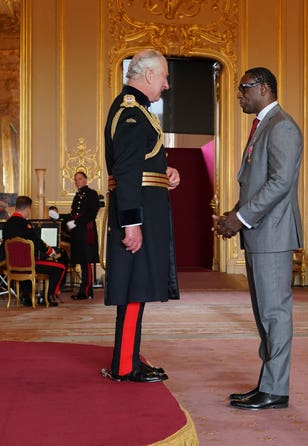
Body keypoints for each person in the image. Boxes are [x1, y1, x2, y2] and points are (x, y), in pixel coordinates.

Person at [214, 67, 302, 410]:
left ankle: (276, 390)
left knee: (275, 313)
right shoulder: (264, 125)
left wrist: (241, 218)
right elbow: (255, 182)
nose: (239, 95)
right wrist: (232, 215)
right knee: (264, 313)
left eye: (243, 89)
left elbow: (280, 184)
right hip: (260, 232)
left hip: (273, 234)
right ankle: (269, 382)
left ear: (263, 88)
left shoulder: (282, 127)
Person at [101, 48, 180, 383]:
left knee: (140, 288)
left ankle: (129, 357)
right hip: (139, 216)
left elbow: (140, 164)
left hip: (144, 210)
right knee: (135, 289)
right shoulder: (132, 111)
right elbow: (128, 169)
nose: (165, 85)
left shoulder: (137, 111)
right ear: (149, 76)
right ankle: (124, 367)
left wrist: (166, 172)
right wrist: (132, 224)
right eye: (163, 77)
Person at [0, 196, 65, 307]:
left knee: (26, 265)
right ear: (28, 208)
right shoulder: (26, 225)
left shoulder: (7, 225)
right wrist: (51, 252)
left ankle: (26, 296)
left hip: (12, 265)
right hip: (28, 265)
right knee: (60, 268)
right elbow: (38, 243)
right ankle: (48, 297)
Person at [65, 171, 100, 300]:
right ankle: (85, 290)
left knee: (86, 261)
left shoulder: (92, 194)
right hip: (78, 231)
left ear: (85, 180)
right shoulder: (78, 195)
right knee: (81, 260)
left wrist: (75, 222)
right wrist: (62, 219)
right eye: (75, 180)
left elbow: (91, 214)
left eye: (79, 179)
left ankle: (86, 291)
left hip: (86, 230)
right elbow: (73, 213)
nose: (77, 182)